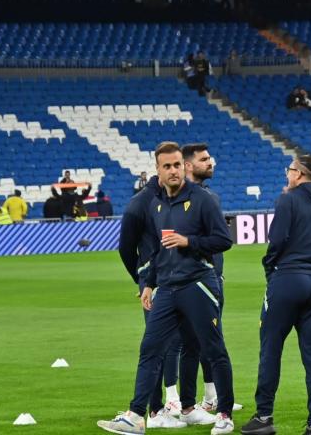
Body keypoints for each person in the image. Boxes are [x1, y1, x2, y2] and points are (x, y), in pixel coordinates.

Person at [97, 142, 235, 435]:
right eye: (167, 166)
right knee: (150, 349)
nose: (173, 171)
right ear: (157, 171)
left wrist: (190, 242)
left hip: (199, 284)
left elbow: (224, 240)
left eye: (177, 165)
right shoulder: (156, 205)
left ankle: (224, 413)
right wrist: (147, 283)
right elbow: (160, 253)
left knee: (213, 349)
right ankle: (136, 416)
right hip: (168, 289)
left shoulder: (203, 200)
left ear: (184, 167)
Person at [241, 155, 311, 435]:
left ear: (298, 174)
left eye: (290, 169)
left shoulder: (289, 199)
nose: (287, 174)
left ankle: (263, 418)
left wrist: (271, 269)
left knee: (271, 349)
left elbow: (278, 240)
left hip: (287, 278)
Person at [117, 173, 186, 429]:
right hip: (156, 282)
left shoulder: (168, 198)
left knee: (175, 341)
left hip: (175, 279)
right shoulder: (140, 203)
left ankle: (180, 403)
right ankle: (155, 411)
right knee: (157, 345)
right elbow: (126, 247)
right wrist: (142, 278)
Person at [182, 143, 244, 413]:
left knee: (210, 337)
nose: (211, 163)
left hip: (213, 278)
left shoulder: (209, 196)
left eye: (210, 158)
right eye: (204, 159)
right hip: (190, 279)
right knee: (189, 342)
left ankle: (210, 396)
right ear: (188, 165)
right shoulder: (179, 199)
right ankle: (175, 402)